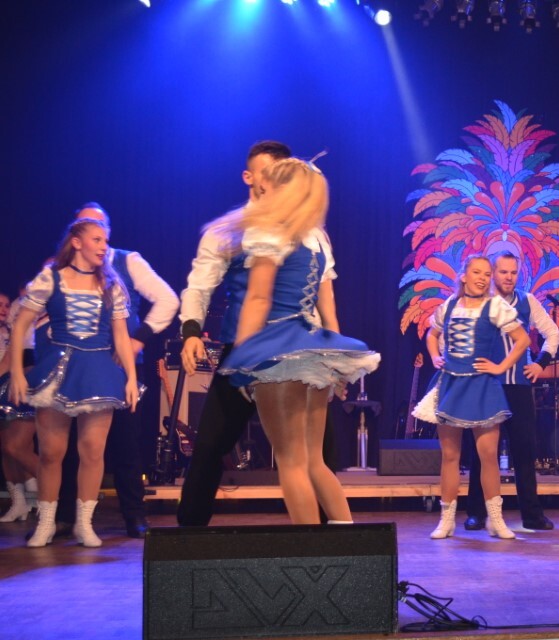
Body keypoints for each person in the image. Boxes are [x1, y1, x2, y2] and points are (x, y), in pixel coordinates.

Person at [215, 158, 379, 524]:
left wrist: (244, 354)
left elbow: (259, 299)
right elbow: (328, 306)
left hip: (279, 349)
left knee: (290, 461)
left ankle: (312, 549)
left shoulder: (271, 232)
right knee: (314, 460)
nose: (261, 190)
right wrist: (335, 361)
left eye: (267, 184)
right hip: (313, 349)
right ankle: (348, 542)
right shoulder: (317, 238)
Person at [177, 140, 294, 527]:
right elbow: (200, 285)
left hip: (294, 350)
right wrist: (191, 331)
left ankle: (330, 541)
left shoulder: (302, 227)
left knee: (313, 450)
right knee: (211, 444)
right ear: (249, 177)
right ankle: (189, 533)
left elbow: (318, 292)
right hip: (242, 348)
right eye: (267, 171)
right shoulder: (227, 230)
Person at [7, 218, 139, 547]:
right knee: (51, 453)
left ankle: (84, 524)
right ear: (77, 242)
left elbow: (121, 336)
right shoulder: (50, 278)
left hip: (98, 371)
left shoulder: (111, 284)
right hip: (58, 371)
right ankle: (46, 523)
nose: (104, 246)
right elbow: (21, 323)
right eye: (97, 239)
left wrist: (131, 377)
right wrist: (18, 372)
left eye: (105, 240)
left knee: (93, 451)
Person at [51, 203, 178, 540]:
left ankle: (134, 515)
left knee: (125, 443)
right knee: (67, 444)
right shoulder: (60, 271)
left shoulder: (127, 261)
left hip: (119, 367)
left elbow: (168, 299)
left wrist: (138, 340)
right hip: (75, 368)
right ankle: (65, 515)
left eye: (99, 226)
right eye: (85, 223)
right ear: (75, 235)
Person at [413, 255, 531, 541]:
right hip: (451, 384)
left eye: (487, 274)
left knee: (488, 455)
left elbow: (523, 340)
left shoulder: (496, 306)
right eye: (477, 272)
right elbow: (432, 335)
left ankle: (496, 520)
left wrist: (501, 367)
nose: (482, 278)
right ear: (464, 276)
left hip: (482, 386)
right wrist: (435, 356)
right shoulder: (449, 305)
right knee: (450, 456)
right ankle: (446, 520)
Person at [462, 244, 559, 531]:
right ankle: (476, 513)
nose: (508, 277)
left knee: (525, 451)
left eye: (513, 272)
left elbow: (553, 333)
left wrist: (540, 364)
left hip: (518, 386)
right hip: (487, 386)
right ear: (493, 273)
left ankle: (532, 515)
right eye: (503, 272)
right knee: (482, 453)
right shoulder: (480, 301)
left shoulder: (527, 301)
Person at [0, 290, 40, 523]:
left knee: (16, 446)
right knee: (6, 447)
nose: (4, 309)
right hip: (6, 384)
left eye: (6, 305)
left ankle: (57, 494)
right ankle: (19, 503)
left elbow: (9, 362)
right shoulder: (10, 327)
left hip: (19, 383)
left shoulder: (15, 331)